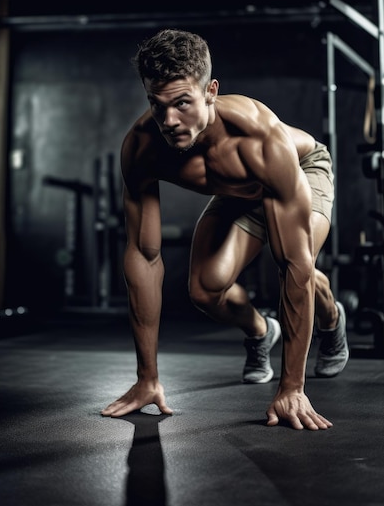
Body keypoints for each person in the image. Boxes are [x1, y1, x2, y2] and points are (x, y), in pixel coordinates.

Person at [101, 29, 349, 430]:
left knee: (294, 260)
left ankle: (331, 319)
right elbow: (144, 256)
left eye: (183, 103)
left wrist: (292, 387)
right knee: (204, 289)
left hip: (299, 172)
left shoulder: (258, 138)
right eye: (156, 104)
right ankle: (259, 330)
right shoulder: (143, 148)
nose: (169, 121)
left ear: (211, 90)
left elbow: (293, 265)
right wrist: (147, 378)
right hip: (237, 191)